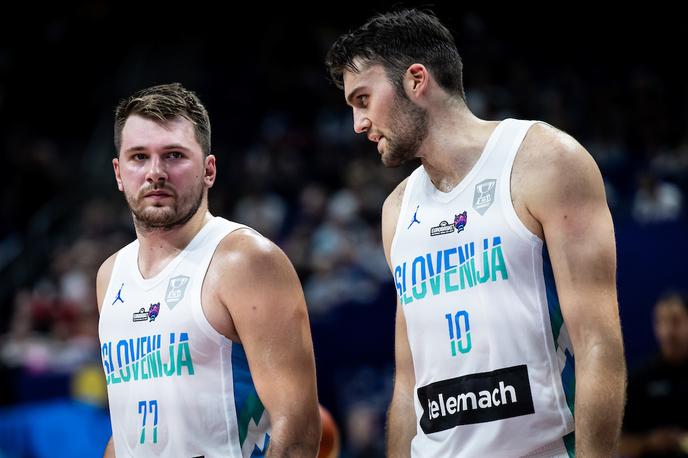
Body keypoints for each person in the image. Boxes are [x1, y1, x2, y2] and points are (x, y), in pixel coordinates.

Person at [326, 9, 626, 457]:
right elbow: (409, 380)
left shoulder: (544, 160)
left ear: (415, 80)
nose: (358, 124)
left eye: (363, 99)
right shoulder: (397, 210)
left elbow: (599, 343)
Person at [97, 83, 320, 457]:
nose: (155, 172)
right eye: (139, 157)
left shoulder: (245, 260)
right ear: (119, 173)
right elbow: (126, 433)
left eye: (174, 155)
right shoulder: (110, 276)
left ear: (209, 170)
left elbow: (297, 427)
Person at [620, 292, 688, 457]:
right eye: (662, 322)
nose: (668, 331)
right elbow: (619, 444)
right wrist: (650, 442)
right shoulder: (639, 378)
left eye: (675, 321)